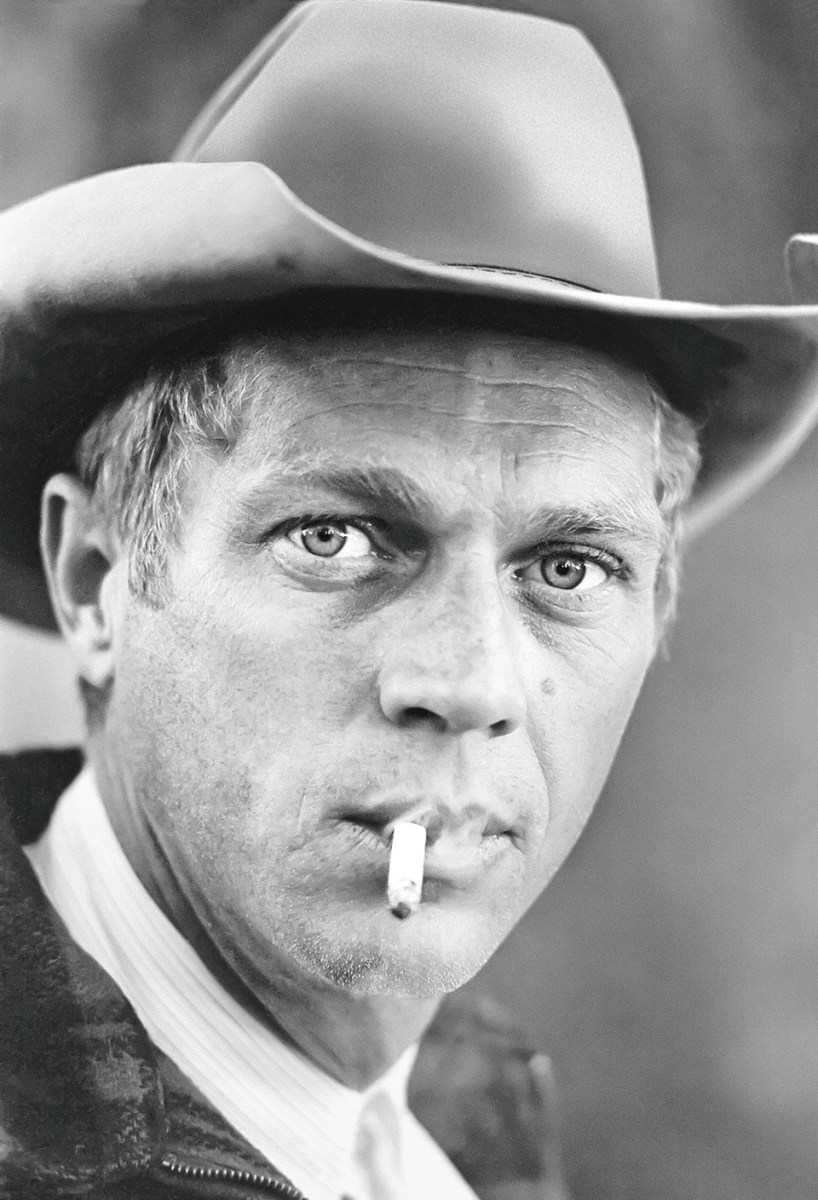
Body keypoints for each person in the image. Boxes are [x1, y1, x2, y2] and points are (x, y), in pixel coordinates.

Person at [1, 3, 818, 1198]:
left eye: (567, 568)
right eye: (334, 538)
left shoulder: (461, 1122)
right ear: (97, 578)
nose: (468, 683)